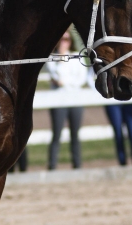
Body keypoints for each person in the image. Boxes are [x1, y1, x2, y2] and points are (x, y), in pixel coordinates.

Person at [45, 31, 88, 170]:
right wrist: (62, 58)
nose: (64, 42)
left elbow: (81, 79)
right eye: (62, 39)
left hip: (76, 99)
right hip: (58, 100)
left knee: (75, 134)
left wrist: (65, 82)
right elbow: (57, 76)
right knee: (56, 133)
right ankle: (52, 165)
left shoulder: (78, 57)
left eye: (67, 39)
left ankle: (77, 164)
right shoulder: (51, 58)